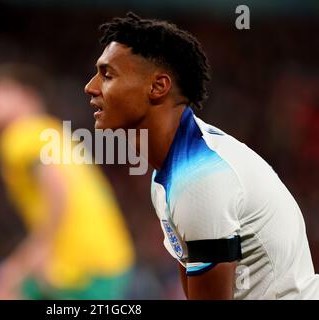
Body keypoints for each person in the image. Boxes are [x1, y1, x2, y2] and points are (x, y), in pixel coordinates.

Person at [84, 12, 319, 299]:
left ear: (158, 87)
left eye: (107, 75)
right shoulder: (170, 171)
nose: (91, 87)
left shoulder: (200, 179)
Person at [0, 63, 135, 300]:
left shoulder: (22, 133)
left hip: (78, 267)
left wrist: (38, 252)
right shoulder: (50, 131)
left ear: (26, 98)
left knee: (2, 291)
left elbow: (57, 185)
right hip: (108, 258)